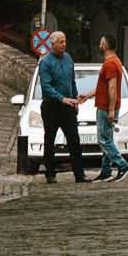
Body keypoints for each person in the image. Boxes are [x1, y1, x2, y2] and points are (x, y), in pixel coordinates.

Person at [38, 31, 89, 185]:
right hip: (51, 106)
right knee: (50, 140)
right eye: (61, 42)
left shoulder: (68, 59)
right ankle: (50, 173)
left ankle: (79, 175)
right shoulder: (46, 62)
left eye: (65, 41)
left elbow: (72, 81)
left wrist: (75, 100)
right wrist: (62, 98)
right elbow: (46, 87)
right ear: (52, 44)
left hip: (68, 107)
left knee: (74, 140)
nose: (64, 44)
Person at [93, 35, 128, 182]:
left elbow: (112, 87)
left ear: (105, 44)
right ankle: (106, 170)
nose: (99, 43)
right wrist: (89, 95)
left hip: (105, 107)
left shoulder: (110, 64)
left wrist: (110, 109)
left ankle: (123, 165)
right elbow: (104, 87)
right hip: (106, 105)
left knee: (103, 140)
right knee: (107, 138)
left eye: (101, 41)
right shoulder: (115, 62)